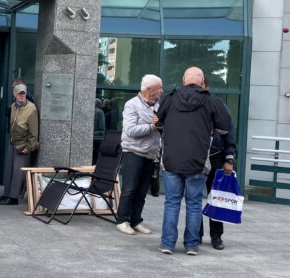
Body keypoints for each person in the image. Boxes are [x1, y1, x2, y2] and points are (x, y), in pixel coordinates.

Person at [155, 67, 231, 256]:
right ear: (202, 81)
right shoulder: (211, 100)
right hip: (198, 162)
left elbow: (158, 123)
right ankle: (191, 245)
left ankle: (167, 244)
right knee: (194, 204)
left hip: (172, 160)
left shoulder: (170, 98)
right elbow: (225, 127)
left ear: (183, 80)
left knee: (172, 202)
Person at [115, 75, 163, 236]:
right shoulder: (132, 105)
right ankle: (122, 220)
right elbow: (130, 131)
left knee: (142, 191)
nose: (161, 91)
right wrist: (152, 127)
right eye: (159, 88)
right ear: (149, 89)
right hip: (133, 153)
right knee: (129, 189)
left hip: (150, 155)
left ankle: (136, 220)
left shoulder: (158, 105)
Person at [199, 77, 237, 250]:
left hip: (215, 158)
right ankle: (195, 234)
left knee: (217, 199)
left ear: (207, 87)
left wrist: (229, 158)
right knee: (193, 200)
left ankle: (216, 236)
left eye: (200, 86)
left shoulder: (219, 106)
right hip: (195, 159)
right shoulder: (189, 107)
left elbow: (230, 132)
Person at [0, 84, 38, 205]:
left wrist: (29, 147)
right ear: (14, 94)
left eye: (23, 93)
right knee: (9, 170)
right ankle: (6, 193)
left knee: (18, 172)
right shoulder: (13, 106)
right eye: (19, 93)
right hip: (13, 142)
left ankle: (13, 198)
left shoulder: (31, 108)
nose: (22, 95)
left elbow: (34, 131)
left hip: (22, 144)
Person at [92, 98, 106, 165]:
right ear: (99, 104)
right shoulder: (99, 111)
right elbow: (101, 125)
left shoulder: (91, 110)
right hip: (98, 135)